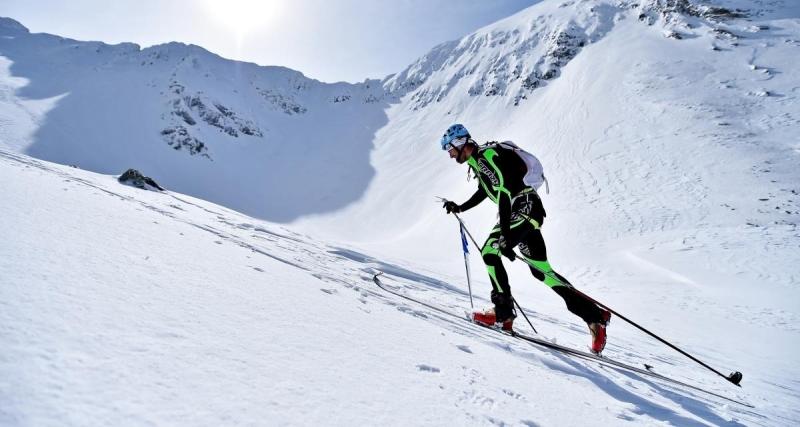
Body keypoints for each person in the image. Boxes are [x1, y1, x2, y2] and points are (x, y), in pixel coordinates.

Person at [440, 124, 611, 354]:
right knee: (542, 272)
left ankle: (503, 315)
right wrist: (461, 207)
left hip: (521, 209)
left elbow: (503, 193)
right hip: (527, 212)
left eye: (449, 149)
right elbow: (485, 191)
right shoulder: (479, 164)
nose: (450, 155)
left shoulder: (485, 157)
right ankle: (595, 317)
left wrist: (507, 236)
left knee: (490, 252)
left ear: (460, 143)